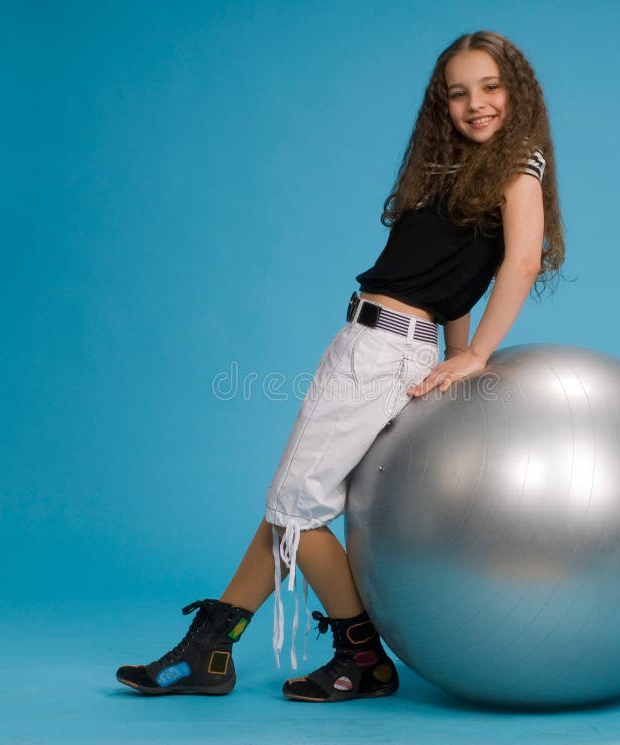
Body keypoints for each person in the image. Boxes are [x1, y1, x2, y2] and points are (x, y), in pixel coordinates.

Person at [116, 29, 565, 703]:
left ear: (517, 91)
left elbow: (521, 261)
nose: (476, 104)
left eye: (491, 87)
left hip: (384, 350)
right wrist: (450, 350)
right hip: (368, 344)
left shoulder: (517, 167)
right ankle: (213, 645)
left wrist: (473, 355)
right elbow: (448, 282)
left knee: (296, 508)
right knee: (290, 503)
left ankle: (360, 656)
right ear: (441, 104)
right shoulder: (452, 172)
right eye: (459, 92)